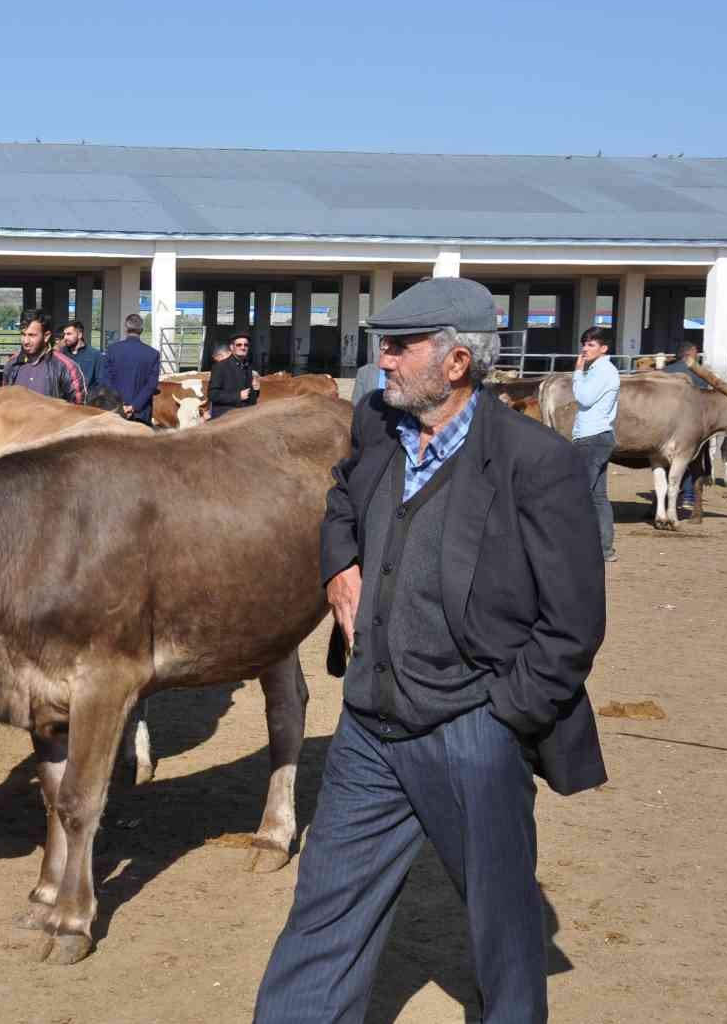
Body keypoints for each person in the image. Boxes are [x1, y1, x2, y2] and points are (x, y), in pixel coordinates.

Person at [254, 277, 607, 1024]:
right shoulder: (378, 426)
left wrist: (504, 714)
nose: (381, 360)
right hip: (368, 729)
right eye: (383, 344)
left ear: (455, 363)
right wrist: (338, 564)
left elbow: (572, 625)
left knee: (503, 928)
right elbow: (342, 500)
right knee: (322, 915)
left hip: (473, 728)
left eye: (399, 346)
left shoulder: (536, 463)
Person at [572, 326, 621, 563]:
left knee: (579, 493)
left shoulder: (602, 371)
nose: (584, 348)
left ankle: (580, 547)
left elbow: (583, 398)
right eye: (584, 343)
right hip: (599, 436)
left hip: (591, 438)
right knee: (598, 496)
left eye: (591, 344)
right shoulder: (603, 369)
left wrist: (578, 372)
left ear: (604, 348)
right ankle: (604, 549)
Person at [661, 340, 709, 511]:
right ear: (689, 354)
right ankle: (688, 496)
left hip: (665, 424)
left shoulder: (665, 372)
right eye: (696, 353)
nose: (698, 356)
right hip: (691, 424)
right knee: (690, 460)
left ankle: (666, 496)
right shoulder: (699, 374)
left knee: (666, 461)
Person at [2, 312, 84, 404]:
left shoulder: (66, 367)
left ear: (46, 336)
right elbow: (4, 403)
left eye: (32, 335)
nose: (26, 341)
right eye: (23, 334)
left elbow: (78, 409)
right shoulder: (12, 364)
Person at [101, 313, 160, 425]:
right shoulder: (153, 354)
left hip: (116, 412)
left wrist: (120, 405)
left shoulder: (112, 350)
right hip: (141, 414)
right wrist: (134, 406)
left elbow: (105, 380)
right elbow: (151, 385)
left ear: (126, 329)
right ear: (141, 330)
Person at [207, 333, 259, 418]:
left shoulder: (248, 367)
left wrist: (256, 390)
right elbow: (212, 394)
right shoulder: (220, 366)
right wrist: (237, 396)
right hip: (225, 418)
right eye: (239, 345)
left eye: (246, 345)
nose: (243, 347)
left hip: (244, 416)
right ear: (232, 347)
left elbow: (250, 397)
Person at [60, 318, 104, 390]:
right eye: (64, 334)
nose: (65, 337)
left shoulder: (95, 355)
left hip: (87, 399)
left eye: (69, 334)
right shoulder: (61, 354)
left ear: (80, 335)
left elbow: (100, 382)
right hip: (64, 400)